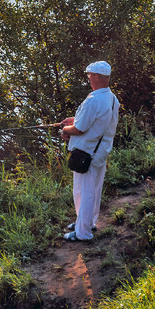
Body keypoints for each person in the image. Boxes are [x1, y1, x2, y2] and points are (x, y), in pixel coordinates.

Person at [55, 60, 120, 242]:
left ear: (99, 77)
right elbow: (99, 121)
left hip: (86, 154)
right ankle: (86, 222)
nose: (89, 79)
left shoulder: (93, 100)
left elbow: (80, 129)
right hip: (100, 152)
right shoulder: (112, 99)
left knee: (84, 192)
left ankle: (83, 232)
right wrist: (74, 119)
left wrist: (64, 130)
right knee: (94, 189)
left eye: (91, 75)